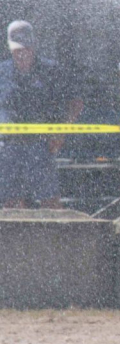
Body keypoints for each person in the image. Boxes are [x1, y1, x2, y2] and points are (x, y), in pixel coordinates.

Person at [0, 21, 84, 208]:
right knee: (11, 203)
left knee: (50, 200)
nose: (22, 53)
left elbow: (75, 103)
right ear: (9, 47)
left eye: (26, 49)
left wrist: (61, 132)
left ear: (34, 45)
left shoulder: (51, 71)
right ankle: (13, 237)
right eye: (17, 50)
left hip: (40, 146)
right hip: (8, 148)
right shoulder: (2, 72)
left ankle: (57, 235)